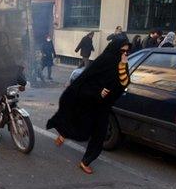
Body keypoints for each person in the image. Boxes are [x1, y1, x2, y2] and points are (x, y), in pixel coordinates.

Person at [46, 38, 131, 174]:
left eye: (127, 51)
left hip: (105, 105)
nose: (125, 53)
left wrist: (122, 65)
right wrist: (98, 91)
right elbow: (87, 77)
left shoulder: (122, 63)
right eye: (122, 50)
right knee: (81, 124)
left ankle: (86, 161)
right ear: (115, 49)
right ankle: (63, 133)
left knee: (99, 134)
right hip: (92, 100)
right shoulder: (104, 60)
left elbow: (125, 83)